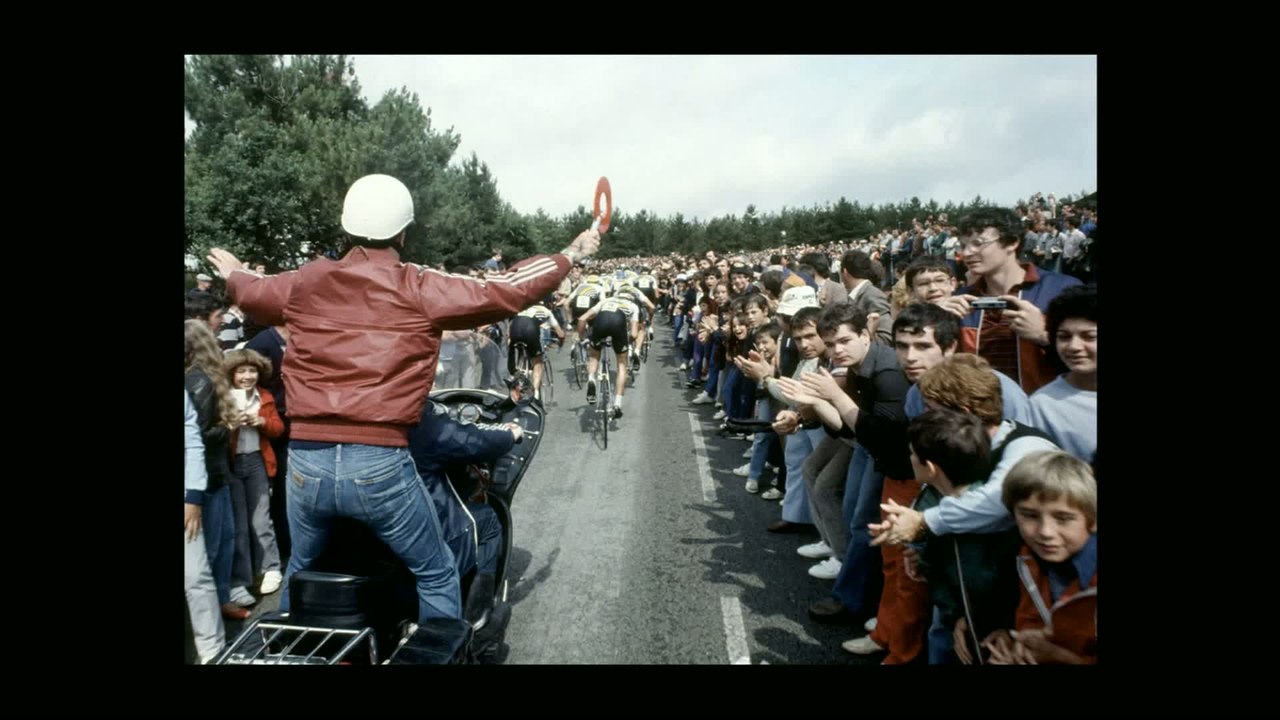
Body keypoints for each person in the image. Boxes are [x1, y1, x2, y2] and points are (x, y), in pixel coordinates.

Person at [206, 173, 599, 623]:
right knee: (435, 572)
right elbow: (506, 290)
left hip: (305, 462)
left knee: (302, 567)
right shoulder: (418, 284)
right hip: (379, 460)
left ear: (346, 226)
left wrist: (235, 271)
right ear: (403, 231)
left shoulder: (306, 279)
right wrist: (569, 254)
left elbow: (252, 291)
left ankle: (295, 650)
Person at [985, 451, 1097, 665]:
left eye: (1063, 518)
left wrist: (1059, 657)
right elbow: (1031, 622)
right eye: (1029, 515)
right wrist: (1015, 642)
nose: (1045, 531)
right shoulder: (1027, 557)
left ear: (1092, 521)